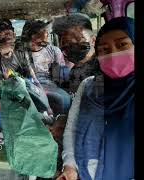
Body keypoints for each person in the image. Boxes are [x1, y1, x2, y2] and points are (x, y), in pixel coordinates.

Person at [57, 17, 134, 180]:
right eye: (105, 49)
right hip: (84, 171)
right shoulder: (87, 84)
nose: (113, 54)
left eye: (122, 45)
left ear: (91, 40)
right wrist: (69, 165)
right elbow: (74, 125)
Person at [0, 18, 36, 110]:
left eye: (7, 34)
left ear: (14, 36)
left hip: (22, 96)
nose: (4, 39)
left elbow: (31, 78)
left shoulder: (21, 54)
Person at [25, 20, 71, 115]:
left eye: (47, 33)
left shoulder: (53, 50)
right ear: (33, 36)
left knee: (65, 99)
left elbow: (61, 75)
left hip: (49, 82)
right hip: (29, 84)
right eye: (45, 32)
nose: (47, 35)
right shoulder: (21, 53)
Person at [52, 13, 99, 94]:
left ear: (93, 40)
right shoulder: (75, 69)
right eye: (67, 42)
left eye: (78, 39)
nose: (73, 44)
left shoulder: (103, 67)